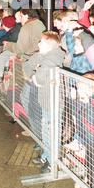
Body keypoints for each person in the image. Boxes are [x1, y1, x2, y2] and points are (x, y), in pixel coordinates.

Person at [23, 32, 65, 173]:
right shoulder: (46, 54)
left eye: (41, 42)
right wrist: (32, 74)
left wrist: (34, 76)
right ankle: (47, 156)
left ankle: (52, 162)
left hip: (53, 102)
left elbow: (39, 79)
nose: (38, 44)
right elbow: (28, 66)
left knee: (52, 133)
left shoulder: (54, 56)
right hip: (46, 100)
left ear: (49, 45)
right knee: (47, 131)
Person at [0, 9, 46, 83]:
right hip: (38, 57)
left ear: (26, 16)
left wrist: (8, 44)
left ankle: (0, 75)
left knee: (29, 85)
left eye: (21, 16)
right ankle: (0, 74)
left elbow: (20, 49)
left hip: (28, 58)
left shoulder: (26, 27)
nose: (20, 18)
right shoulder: (40, 24)